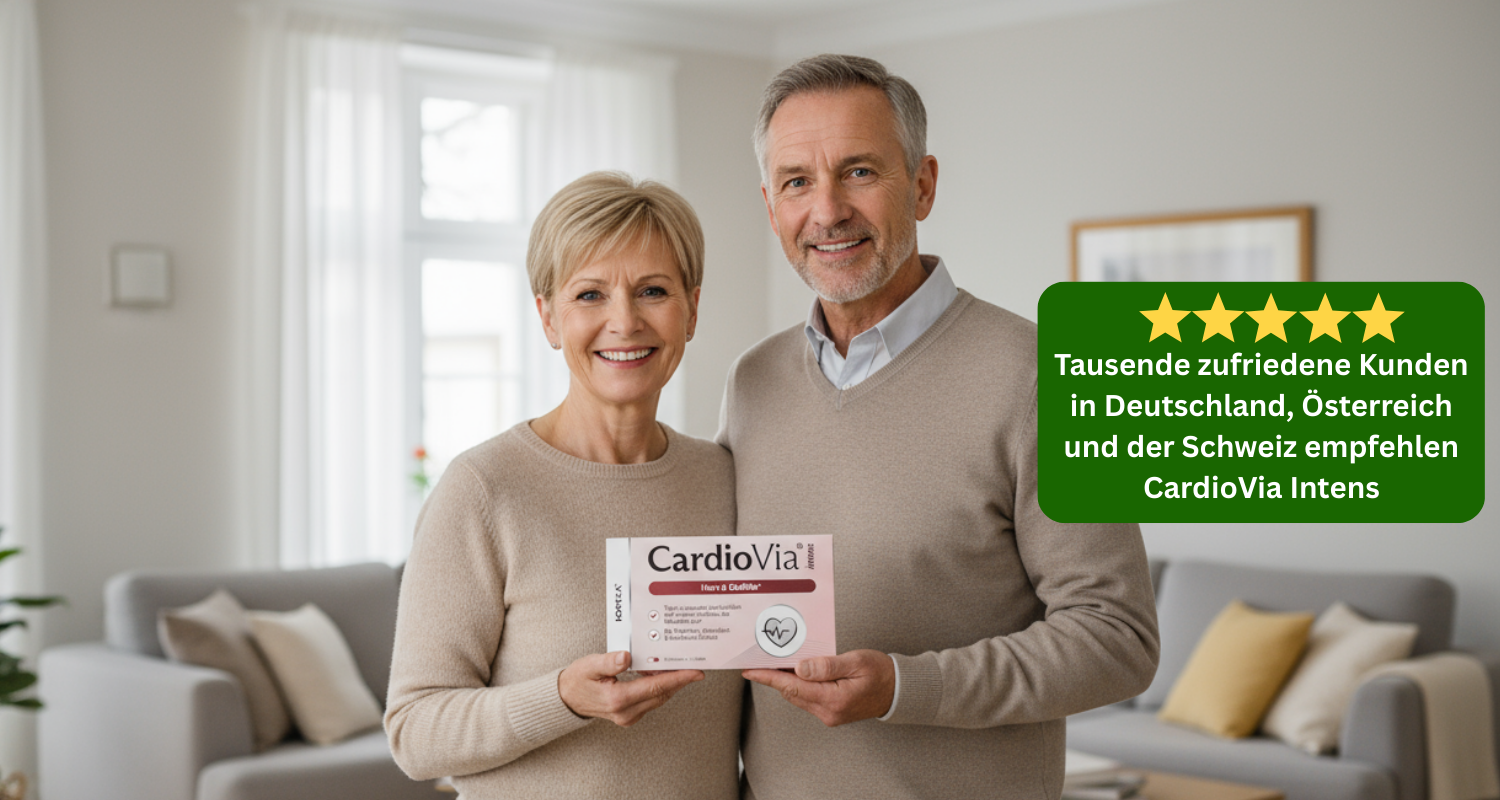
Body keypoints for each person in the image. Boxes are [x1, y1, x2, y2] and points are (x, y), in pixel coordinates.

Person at [718, 54, 1160, 798]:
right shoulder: (752, 382)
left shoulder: (1040, 374)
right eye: (797, 181)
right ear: (771, 208)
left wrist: (905, 687)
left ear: (922, 185)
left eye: (859, 171)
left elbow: (1118, 638)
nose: (827, 211)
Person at [386, 171, 740, 799]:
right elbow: (414, 733)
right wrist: (563, 699)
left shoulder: (723, 479)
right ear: (548, 317)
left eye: (653, 290)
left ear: (691, 309)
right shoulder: (484, 489)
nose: (624, 321)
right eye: (590, 295)